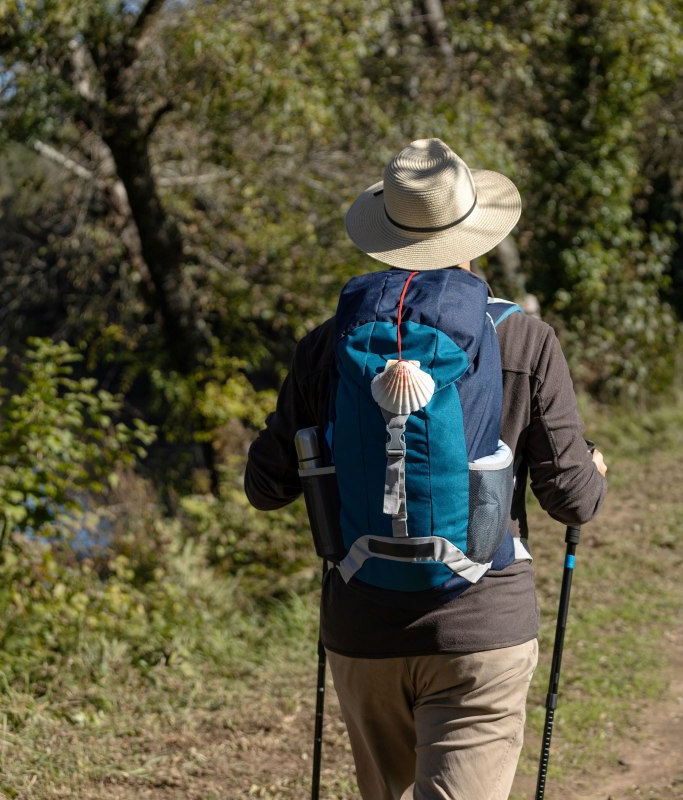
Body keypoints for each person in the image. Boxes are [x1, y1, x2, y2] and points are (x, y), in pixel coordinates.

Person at [244, 138, 608, 800]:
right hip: (481, 629)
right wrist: (595, 472)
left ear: (382, 238)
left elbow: (265, 489)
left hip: (360, 628)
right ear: (477, 234)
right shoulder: (522, 339)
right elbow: (572, 500)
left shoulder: (328, 345)